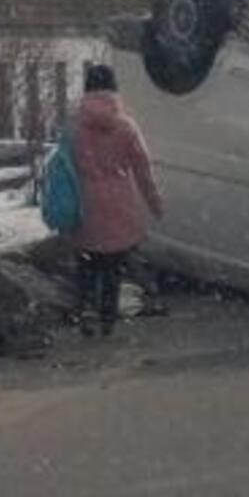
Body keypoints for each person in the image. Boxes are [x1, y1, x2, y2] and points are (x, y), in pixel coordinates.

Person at [69, 64, 163, 336]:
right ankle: (107, 318)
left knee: (86, 263)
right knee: (112, 267)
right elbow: (143, 171)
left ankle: (85, 310)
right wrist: (154, 203)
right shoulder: (126, 125)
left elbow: (62, 167)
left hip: (84, 202)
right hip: (119, 203)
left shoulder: (74, 125)